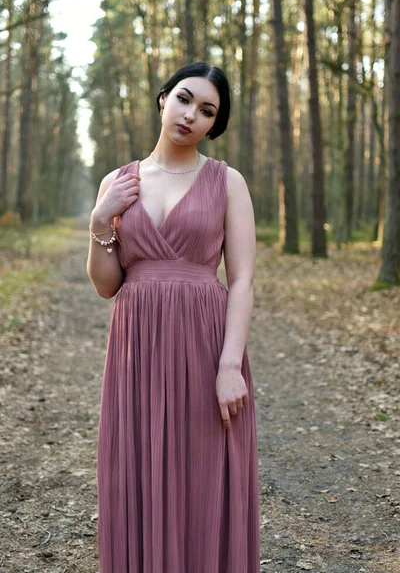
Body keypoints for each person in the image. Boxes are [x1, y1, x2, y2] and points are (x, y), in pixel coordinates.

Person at [87, 61, 260, 572]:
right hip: (137, 346)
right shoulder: (117, 182)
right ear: (163, 99)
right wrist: (101, 219)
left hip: (205, 344)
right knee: (138, 470)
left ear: (213, 124)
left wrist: (229, 365)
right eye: (185, 99)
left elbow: (243, 280)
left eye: (207, 110)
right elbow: (106, 284)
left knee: (203, 472)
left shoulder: (227, 182)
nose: (191, 115)